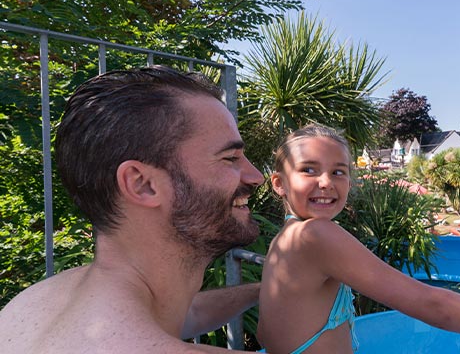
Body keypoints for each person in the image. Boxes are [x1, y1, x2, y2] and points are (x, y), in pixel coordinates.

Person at [0, 66, 265, 353]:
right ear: (142, 184)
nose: (256, 176)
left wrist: (261, 291)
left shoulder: (38, 303)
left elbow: (189, 314)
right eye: (230, 158)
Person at [257, 124, 460, 353]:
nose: (326, 182)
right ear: (278, 183)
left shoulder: (284, 239)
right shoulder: (316, 234)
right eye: (309, 170)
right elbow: (433, 304)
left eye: (338, 171)